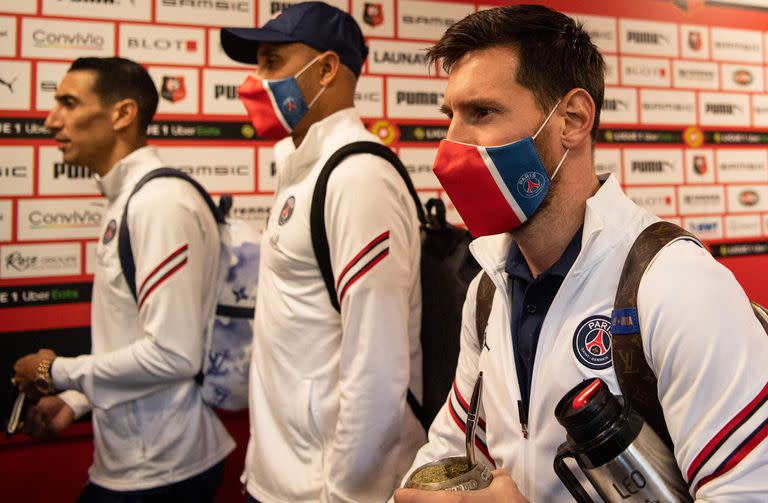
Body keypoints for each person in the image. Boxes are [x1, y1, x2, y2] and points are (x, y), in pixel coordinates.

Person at [394, 5, 768, 502]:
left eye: (481, 113)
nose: (451, 144)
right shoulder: (488, 288)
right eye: (450, 117)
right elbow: (451, 447)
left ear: (572, 119)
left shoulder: (676, 286)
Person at [220, 2, 424, 502]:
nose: (255, 81)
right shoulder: (299, 164)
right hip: (276, 476)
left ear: (327, 69)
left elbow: (376, 368)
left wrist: (347, 494)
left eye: (272, 63)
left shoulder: (358, 177)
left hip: (320, 491)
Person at [12, 57, 235, 502]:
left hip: (161, 467)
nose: (50, 120)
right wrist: (77, 400)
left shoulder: (158, 202)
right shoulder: (131, 196)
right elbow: (133, 339)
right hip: (134, 461)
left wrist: (53, 372)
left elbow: (173, 355)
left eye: (69, 103)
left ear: (122, 114)